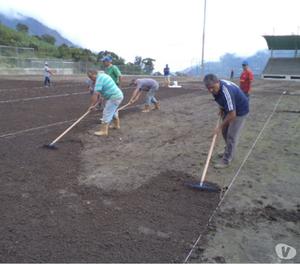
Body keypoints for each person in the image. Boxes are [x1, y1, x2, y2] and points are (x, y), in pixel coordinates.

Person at [203, 74, 249, 169]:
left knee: (231, 136)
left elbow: (232, 115)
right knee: (225, 131)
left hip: (240, 111)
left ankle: (226, 160)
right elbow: (221, 99)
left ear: (217, 82)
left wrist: (219, 127)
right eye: (208, 88)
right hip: (230, 109)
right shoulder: (215, 88)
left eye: (212, 88)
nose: (210, 90)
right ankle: (227, 150)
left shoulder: (226, 91)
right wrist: (222, 107)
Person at [87, 70, 124, 136]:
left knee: (106, 112)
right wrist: (100, 99)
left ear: (94, 74)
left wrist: (92, 106)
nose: (91, 79)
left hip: (114, 97)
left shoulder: (99, 78)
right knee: (113, 112)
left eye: (91, 77)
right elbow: (103, 91)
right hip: (117, 96)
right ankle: (116, 125)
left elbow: (95, 94)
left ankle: (104, 131)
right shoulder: (103, 75)